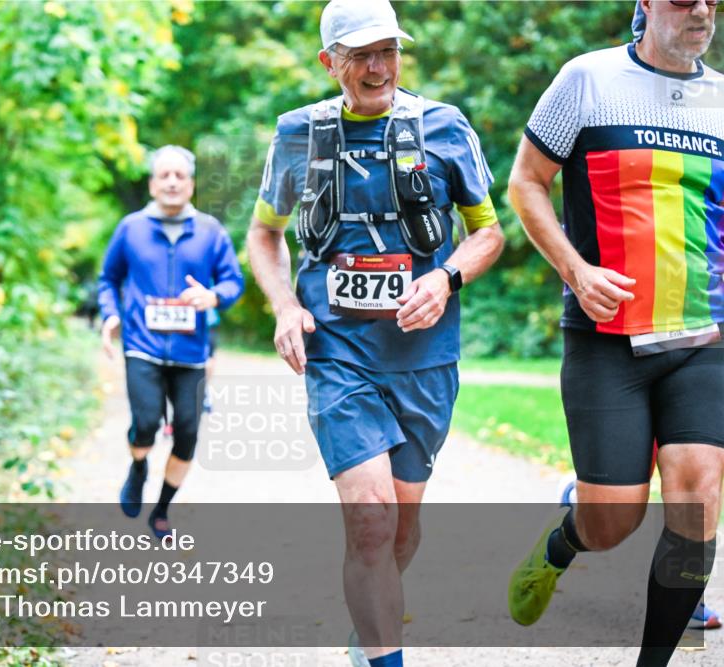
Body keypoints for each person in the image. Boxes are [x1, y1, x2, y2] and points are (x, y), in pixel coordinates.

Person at [246, 2, 504, 665]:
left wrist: (445, 278)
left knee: (400, 531)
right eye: (360, 55)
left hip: (424, 356)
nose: (378, 67)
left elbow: (488, 233)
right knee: (370, 521)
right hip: (336, 353)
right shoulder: (298, 134)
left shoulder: (445, 127)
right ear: (329, 63)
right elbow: (265, 233)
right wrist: (284, 306)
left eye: (388, 51)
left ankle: (369, 631)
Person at [506, 1, 723, 665]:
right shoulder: (588, 80)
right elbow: (526, 183)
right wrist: (575, 270)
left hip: (704, 337)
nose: (701, 10)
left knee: (698, 492)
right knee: (613, 520)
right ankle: (565, 538)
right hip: (607, 339)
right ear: (647, 4)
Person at [98, 145, 244, 539]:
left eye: (180, 175)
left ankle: (161, 510)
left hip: (190, 353)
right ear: (152, 184)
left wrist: (214, 296)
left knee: (187, 435)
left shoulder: (211, 232)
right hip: (141, 345)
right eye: (165, 175)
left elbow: (234, 281)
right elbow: (108, 279)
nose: (173, 182)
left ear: (191, 184)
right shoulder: (131, 228)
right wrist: (110, 314)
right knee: (145, 425)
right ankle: (138, 467)